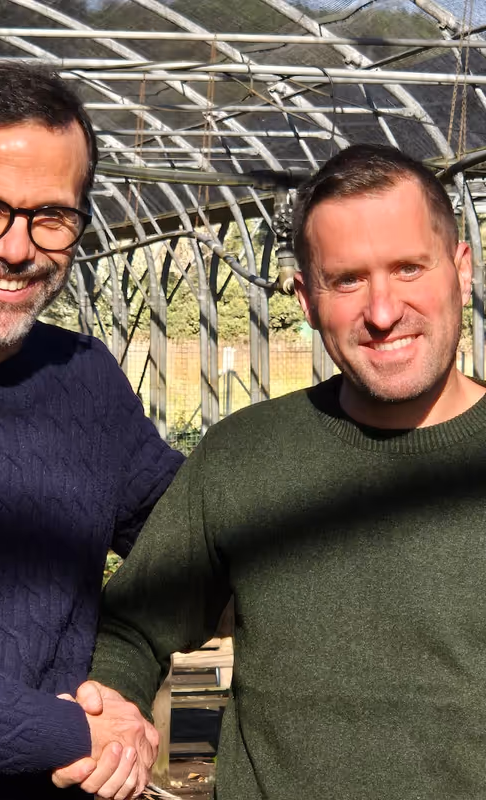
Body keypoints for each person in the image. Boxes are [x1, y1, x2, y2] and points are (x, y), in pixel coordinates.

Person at [77, 143, 486, 799]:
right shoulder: (246, 456)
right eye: (347, 280)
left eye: (409, 268)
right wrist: (114, 710)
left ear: (461, 269)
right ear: (304, 297)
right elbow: (131, 626)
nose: (382, 313)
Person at [0, 60, 183, 800]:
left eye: (51, 216)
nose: (17, 249)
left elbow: (188, 533)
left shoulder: (85, 379)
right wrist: (73, 732)